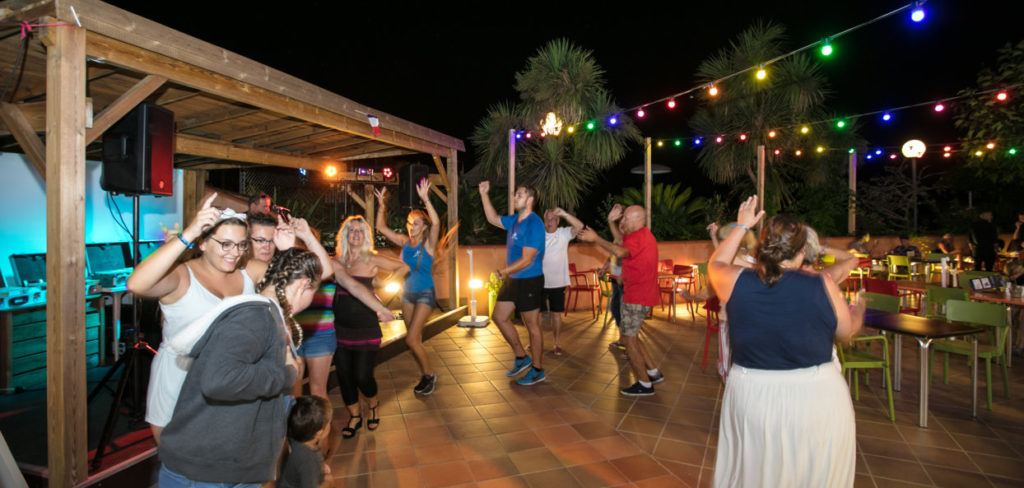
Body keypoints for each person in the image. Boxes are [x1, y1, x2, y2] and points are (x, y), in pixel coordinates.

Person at [708, 196, 864, 488]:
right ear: (803, 250)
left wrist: (742, 224)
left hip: (752, 393)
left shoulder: (735, 280)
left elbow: (716, 261)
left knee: (755, 470)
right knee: (814, 472)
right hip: (816, 395)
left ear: (762, 245)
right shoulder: (822, 283)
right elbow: (846, 332)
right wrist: (860, 308)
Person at [156, 248, 320, 486]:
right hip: (208, 472)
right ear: (304, 284)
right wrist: (287, 374)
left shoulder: (268, 315)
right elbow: (220, 379)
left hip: (231, 466)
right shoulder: (255, 316)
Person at [128, 193, 263, 443]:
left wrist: (292, 242)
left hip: (230, 384)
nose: (234, 253)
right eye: (225, 244)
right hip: (180, 382)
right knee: (183, 471)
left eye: (241, 245)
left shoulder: (248, 273)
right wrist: (187, 233)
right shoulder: (181, 276)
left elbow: (311, 273)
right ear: (202, 243)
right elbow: (137, 284)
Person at [333, 215, 408, 438]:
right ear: (345, 234)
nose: (356, 234)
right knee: (344, 376)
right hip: (340, 326)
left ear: (366, 236)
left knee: (363, 376)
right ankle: (355, 416)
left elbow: (402, 267)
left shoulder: (371, 258)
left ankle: (373, 404)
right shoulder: (337, 260)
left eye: (360, 231)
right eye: (351, 230)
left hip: (366, 325)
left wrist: (382, 285)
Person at [579, 204, 664, 396]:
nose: (622, 222)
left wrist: (596, 239)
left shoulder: (641, 236)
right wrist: (611, 221)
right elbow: (618, 241)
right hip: (637, 293)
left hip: (637, 295)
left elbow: (619, 252)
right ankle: (652, 372)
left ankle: (645, 384)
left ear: (637, 219)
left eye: (625, 218)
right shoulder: (636, 236)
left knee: (628, 340)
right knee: (630, 336)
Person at [374, 180, 441, 395]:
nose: (412, 227)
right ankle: (425, 373)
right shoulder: (404, 242)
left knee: (411, 339)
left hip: (425, 294)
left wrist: (426, 199)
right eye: (410, 223)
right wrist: (382, 207)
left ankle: (430, 375)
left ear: (424, 227)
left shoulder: (428, 245)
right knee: (415, 339)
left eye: (417, 223)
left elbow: (437, 224)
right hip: (407, 295)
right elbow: (380, 228)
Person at [478, 181, 548, 385]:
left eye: (520, 194)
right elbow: (492, 218)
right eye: (516, 193)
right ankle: (521, 356)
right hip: (513, 279)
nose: (515, 196)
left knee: (532, 325)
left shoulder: (534, 224)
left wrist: (502, 272)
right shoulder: (515, 220)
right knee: (499, 317)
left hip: (530, 280)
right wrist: (484, 194)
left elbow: (527, 259)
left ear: (530, 199)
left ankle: (537, 368)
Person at [704, 221, 758, 381]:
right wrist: (714, 237)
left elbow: (721, 260)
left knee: (730, 365)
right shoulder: (754, 258)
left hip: (732, 320)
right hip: (750, 319)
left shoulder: (742, 261)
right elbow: (722, 259)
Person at [541, 207, 584, 355]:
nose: (549, 222)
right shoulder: (539, 234)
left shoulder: (563, 233)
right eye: (547, 219)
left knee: (555, 314)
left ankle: (556, 343)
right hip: (539, 281)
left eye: (553, 219)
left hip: (558, 282)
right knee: (535, 314)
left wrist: (565, 214)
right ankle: (534, 341)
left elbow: (580, 226)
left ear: (558, 221)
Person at [278, 396, 332, 488]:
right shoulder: (308, 459)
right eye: (329, 423)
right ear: (319, 433)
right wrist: (328, 482)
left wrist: (320, 467)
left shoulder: (296, 439)